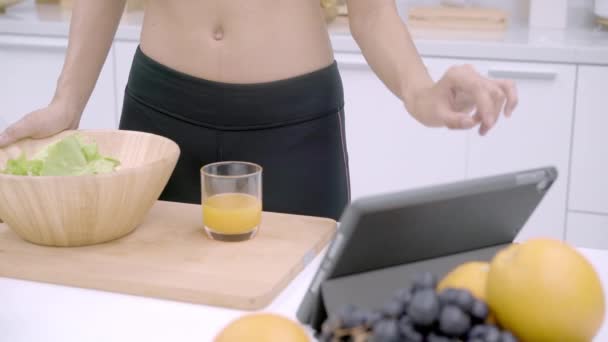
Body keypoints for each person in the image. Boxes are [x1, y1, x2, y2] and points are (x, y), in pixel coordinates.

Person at [0, 0, 517, 221]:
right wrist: (67, 102)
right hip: (160, 122)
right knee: (151, 314)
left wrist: (422, 94)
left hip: (294, 131)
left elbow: (373, 12)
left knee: (297, 318)